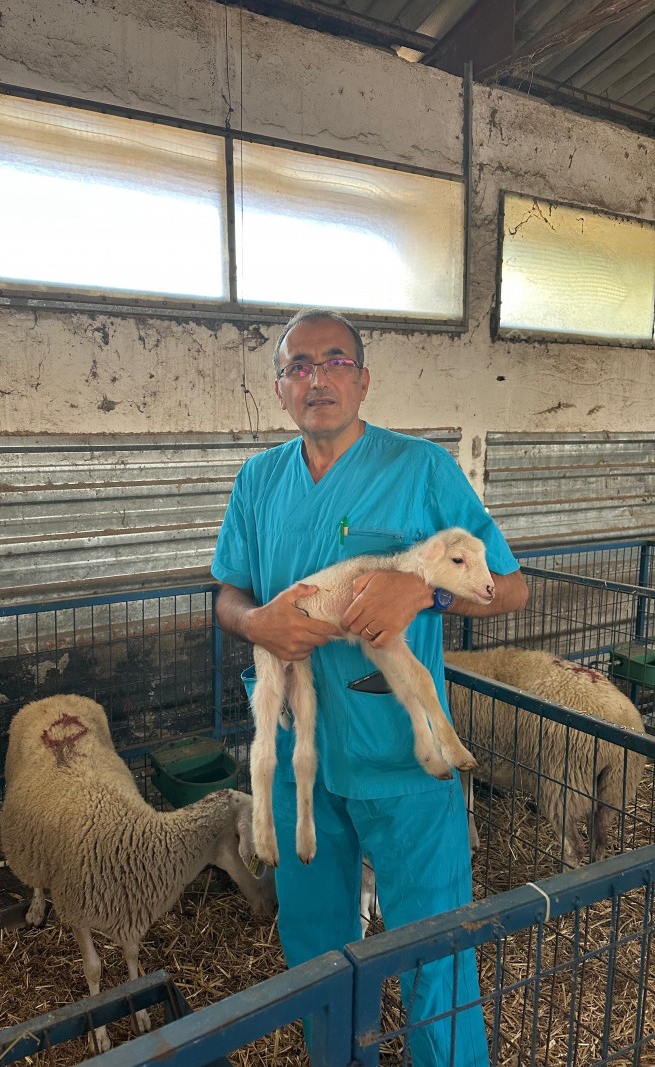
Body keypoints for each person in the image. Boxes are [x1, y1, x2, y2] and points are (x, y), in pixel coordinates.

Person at [211, 307, 528, 1066]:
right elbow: (228, 592)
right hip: (302, 758)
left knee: (434, 951)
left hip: (400, 758)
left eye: (335, 361)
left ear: (363, 379)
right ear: (280, 387)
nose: (317, 378)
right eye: (298, 366)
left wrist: (424, 591)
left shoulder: (422, 469)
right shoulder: (259, 481)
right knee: (318, 952)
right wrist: (256, 624)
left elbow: (511, 587)